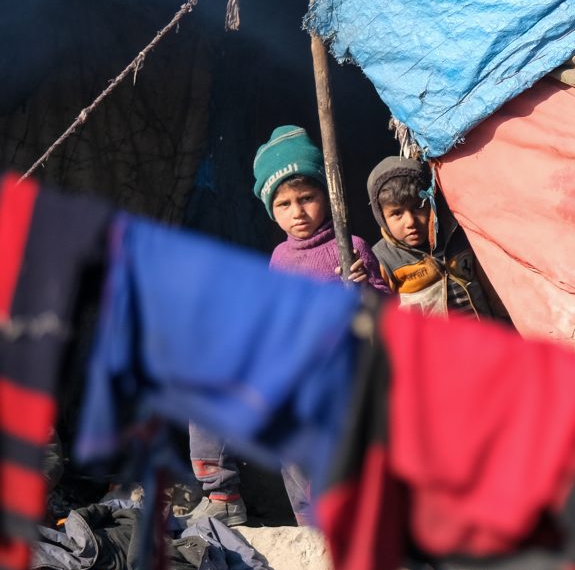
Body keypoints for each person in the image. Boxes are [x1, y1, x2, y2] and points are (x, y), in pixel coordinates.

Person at [185, 125, 387, 527]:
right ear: (270, 209)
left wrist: (366, 291)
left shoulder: (351, 248)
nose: (297, 212)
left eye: (307, 198)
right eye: (284, 204)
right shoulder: (280, 257)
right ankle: (222, 493)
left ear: (325, 198)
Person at [366, 156, 507, 319]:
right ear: (381, 217)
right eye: (397, 213)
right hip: (433, 345)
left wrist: (504, 323)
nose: (410, 222)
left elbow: (491, 287)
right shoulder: (383, 259)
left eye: (418, 207)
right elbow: (382, 316)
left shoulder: (458, 233)